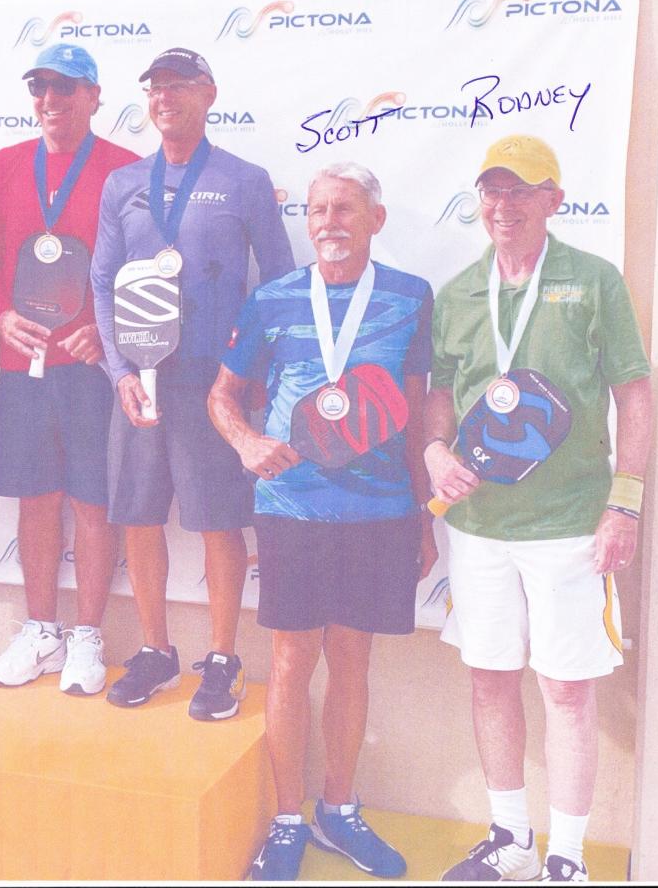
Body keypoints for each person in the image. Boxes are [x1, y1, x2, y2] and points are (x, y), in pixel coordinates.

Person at [426, 135, 652, 883]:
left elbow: (634, 393)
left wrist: (625, 503)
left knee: (565, 688)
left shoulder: (592, 281)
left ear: (555, 198)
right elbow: (438, 396)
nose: (505, 204)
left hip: (568, 529)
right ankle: (514, 841)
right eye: (493, 190)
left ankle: (567, 858)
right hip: (480, 529)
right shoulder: (460, 291)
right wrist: (432, 451)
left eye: (522, 190)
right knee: (490, 677)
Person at [209, 163, 437, 880]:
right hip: (292, 511)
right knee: (288, 661)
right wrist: (247, 441)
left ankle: (338, 812)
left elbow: (416, 407)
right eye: (316, 210)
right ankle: (287, 820)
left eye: (344, 208)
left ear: (377, 217)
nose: (329, 222)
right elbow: (222, 396)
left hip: (378, 513)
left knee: (353, 660)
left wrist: (424, 515)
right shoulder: (273, 297)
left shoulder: (409, 297)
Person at [90, 47, 294, 719]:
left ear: (208, 94)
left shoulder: (244, 180)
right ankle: (155, 650)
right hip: (142, 377)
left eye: (179, 85)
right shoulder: (123, 184)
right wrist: (118, 370)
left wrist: (251, 375)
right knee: (139, 516)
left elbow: (279, 281)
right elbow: (101, 280)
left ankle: (224, 658)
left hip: (214, 381)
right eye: (154, 87)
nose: (164, 97)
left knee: (218, 519)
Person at [0, 44, 139, 697]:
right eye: (40, 88)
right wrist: (2, 315)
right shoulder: (3, 166)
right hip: (24, 360)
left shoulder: (125, 169)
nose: (50, 101)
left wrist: (110, 327)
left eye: (64, 89)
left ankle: (87, 635)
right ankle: (41, 629)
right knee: (37, 497)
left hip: (93, 365)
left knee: (93, 501)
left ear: (94, 96)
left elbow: (143, 266)